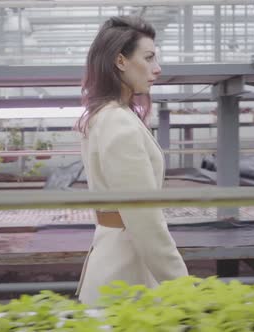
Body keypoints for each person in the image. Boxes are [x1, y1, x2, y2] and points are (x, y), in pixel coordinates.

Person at [74, 16, 188, 306]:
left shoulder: (107, 115)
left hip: (116, 259)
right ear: (121, 61)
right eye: (148, 58)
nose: (157, 68)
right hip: (126, 275)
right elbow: (144, 220)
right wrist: (184, 288)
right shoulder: (118, 122)